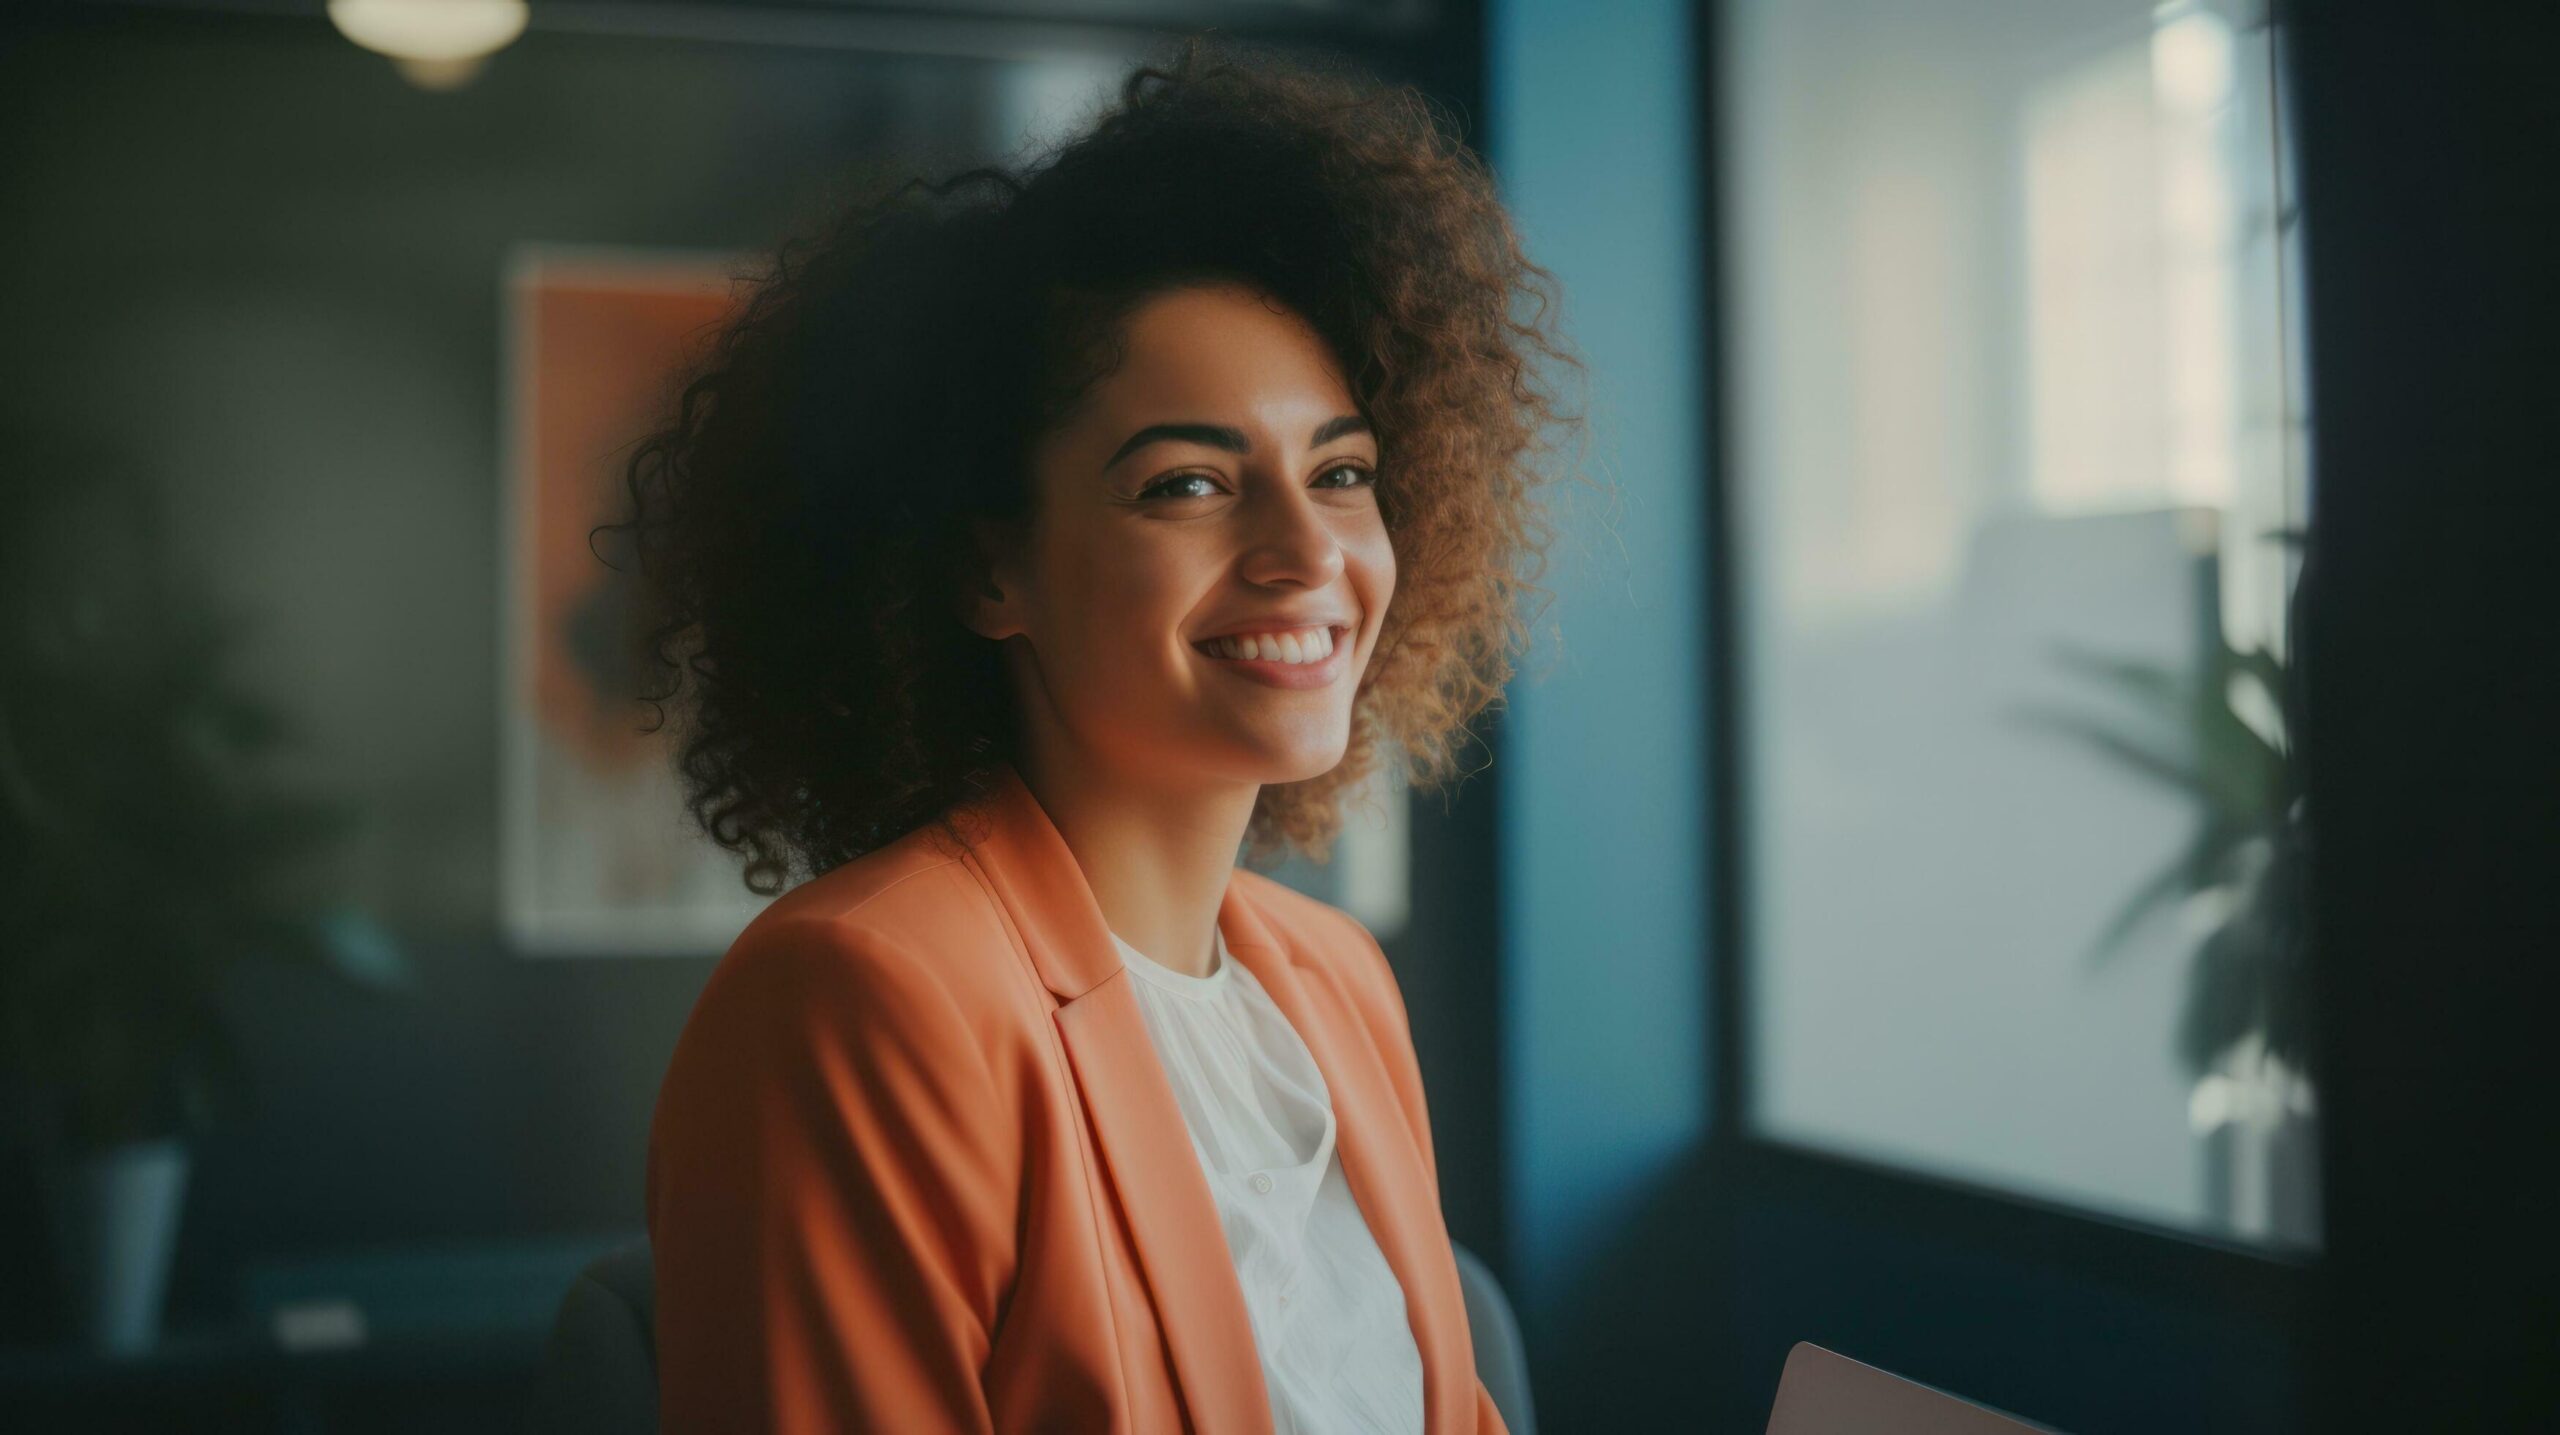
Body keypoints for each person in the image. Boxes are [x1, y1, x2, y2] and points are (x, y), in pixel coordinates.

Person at [620, 33, 1583, 1435]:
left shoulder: (1336, 983)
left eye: (1344, 472)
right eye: (1189, 484)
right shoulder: (869, 997)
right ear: (983, 570)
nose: (1309, 551)